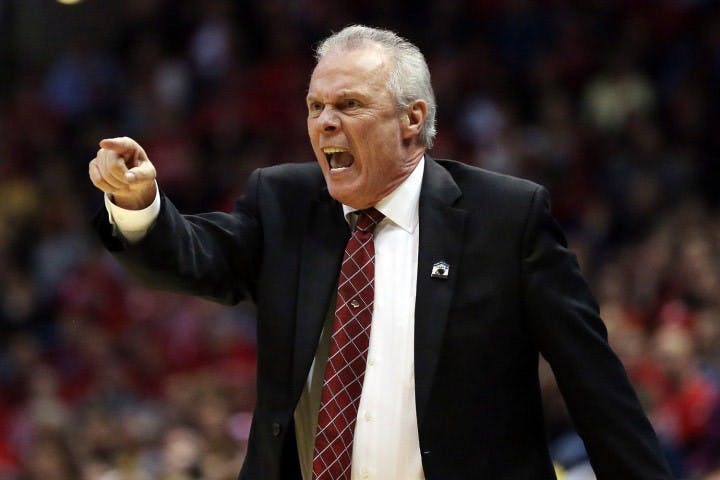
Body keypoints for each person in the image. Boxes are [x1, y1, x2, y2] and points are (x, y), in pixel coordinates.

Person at [89, 25, 673, 480]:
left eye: (348, 105)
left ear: (412, 120)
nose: (324, 124)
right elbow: (192, 256)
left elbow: (596, 389)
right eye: (315, 107)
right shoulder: (284, 202)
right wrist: (140, 206)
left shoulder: (505, 219)